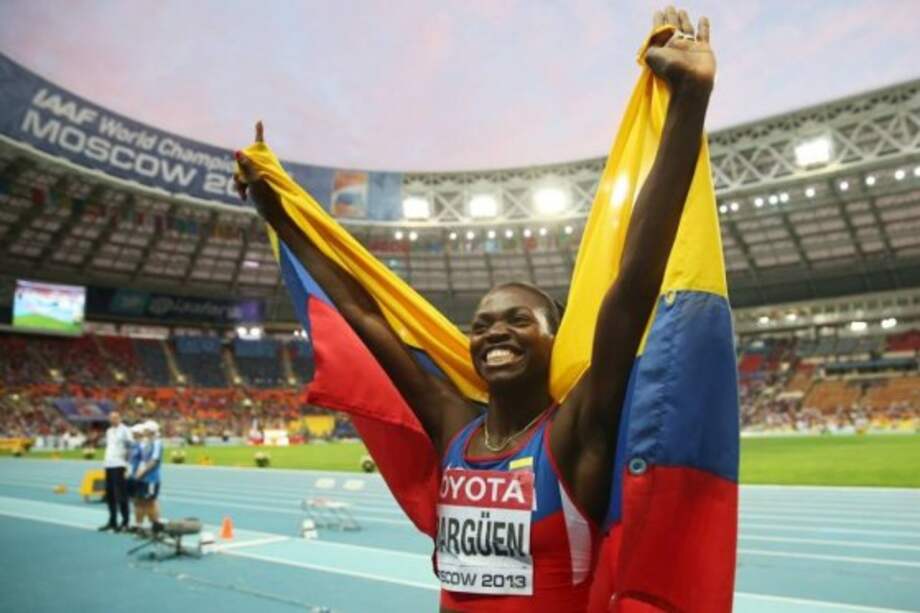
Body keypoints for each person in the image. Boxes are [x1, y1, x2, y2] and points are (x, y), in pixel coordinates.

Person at [235, 6, 714, 611]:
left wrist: (687, 105)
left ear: (556, 338)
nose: (495, 334)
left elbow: (630, 292)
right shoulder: (452, 425)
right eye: (482, 325)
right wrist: (275, 210)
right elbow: (361, 316)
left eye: (519, 321)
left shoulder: (574, 433)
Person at [99, 410, 134, 532]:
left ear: (120, 418)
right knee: (110, 496)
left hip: (119, 465)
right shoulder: (108, 431)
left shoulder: (125, 430)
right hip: (109, 465)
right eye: (111, 418)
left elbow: (130, 448)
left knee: (121, 495)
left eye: (116, 417)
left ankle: (125, 522)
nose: (113, 419)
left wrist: (128, 466)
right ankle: (112, 521)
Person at [135, 420, 164, 533]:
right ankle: (142, 526)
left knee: (150, 502)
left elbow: (154, 461)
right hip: (144, 477)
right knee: (142, 501)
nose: (144, 431)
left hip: (152, 478)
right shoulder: (148, 443)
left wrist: (141, 473)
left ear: (151, 430)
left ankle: (156, 526)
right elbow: (143, 460)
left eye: (146, 429)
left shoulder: (157, 442)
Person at [126, 423, 148, 534]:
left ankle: (140, 525)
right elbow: (130, 460)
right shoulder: (133, 445)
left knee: (140, 502)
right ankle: (136, 523)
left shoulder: (143, 445)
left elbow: (144, 462)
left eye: (134, 432)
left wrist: (139, 474)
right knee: (134, 501)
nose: (133, 434)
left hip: (139, 478)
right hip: (131, 477)